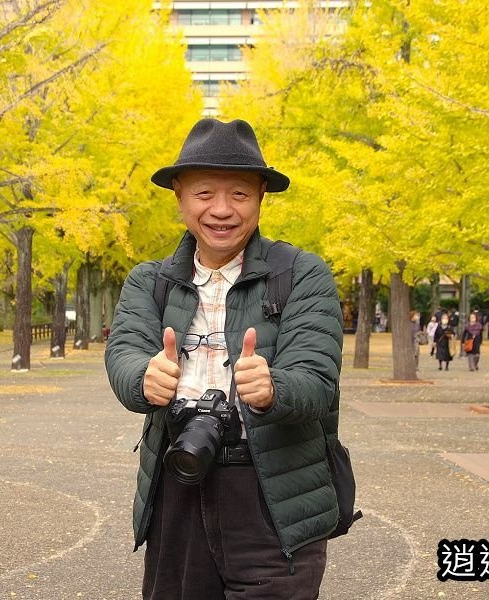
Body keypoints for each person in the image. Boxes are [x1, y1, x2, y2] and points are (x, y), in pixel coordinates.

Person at [105, 118, 344, 600]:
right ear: (179, 195)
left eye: (238, 194)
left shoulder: (300, 274)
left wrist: (275, 388)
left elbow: (317, 378)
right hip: (181, 479)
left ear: (260, 197)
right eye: (204, 193)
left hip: (274, 496)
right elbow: (125, 350)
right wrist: (142, 378)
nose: (221, 210)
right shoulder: (149, 280)